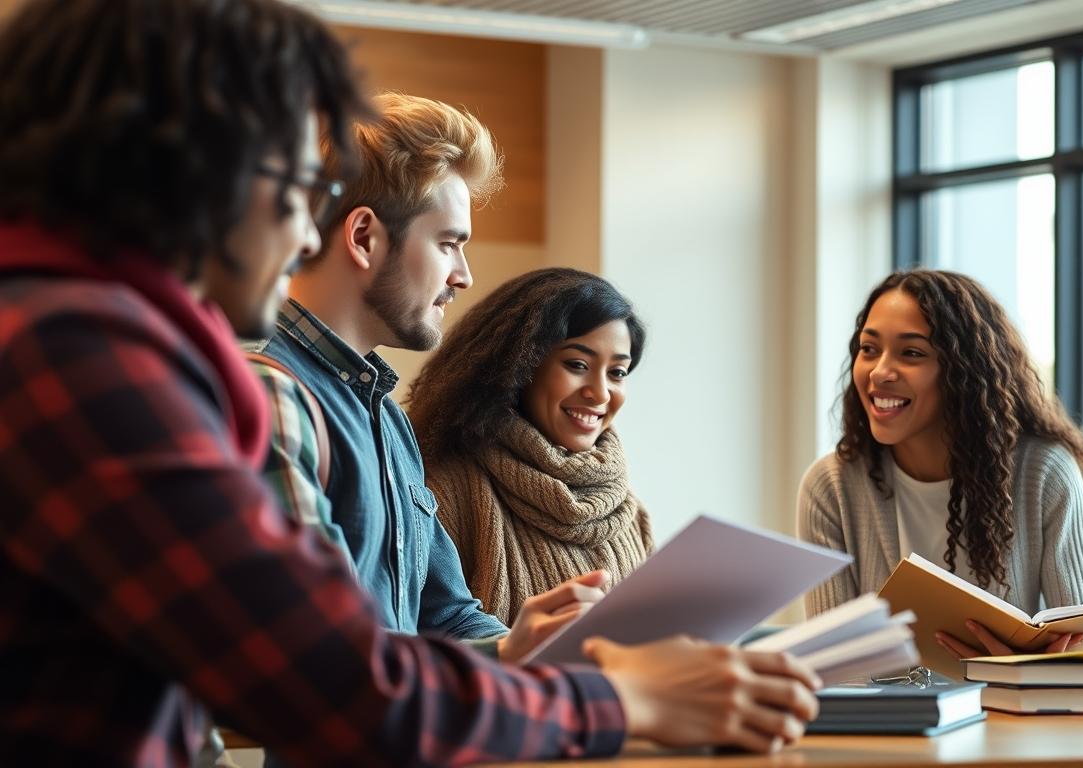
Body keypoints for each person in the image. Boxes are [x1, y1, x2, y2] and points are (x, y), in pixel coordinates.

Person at [0, 1, 819, 764]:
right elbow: (333, 682)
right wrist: (618, 700)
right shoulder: (78, 354)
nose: (299, 229)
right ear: (205, 169)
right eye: (294, 185)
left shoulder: (77, 333)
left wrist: (519, 658)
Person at [248, 93, 602, 661]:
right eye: (448, 244)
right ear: (364, 237)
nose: (463, 275)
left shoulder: (385, 416)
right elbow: (324, 650)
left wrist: (537, 647)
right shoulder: (270, 397)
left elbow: (446, 617)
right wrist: (509, 659)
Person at [797, 269, 1083, 660]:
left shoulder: (1044, 473)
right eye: (869, 349)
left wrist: (1011, 672)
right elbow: (832, 669)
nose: (879, 372)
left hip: (1010, 717)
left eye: (911, 353)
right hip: (882, 723)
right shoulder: (830, 487)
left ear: (964, 373)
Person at [406, 268, 655, 624]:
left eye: (617, 373)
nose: (600, 393)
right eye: (577, 364)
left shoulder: (628, 509)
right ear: (518, 366)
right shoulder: (444, 491)